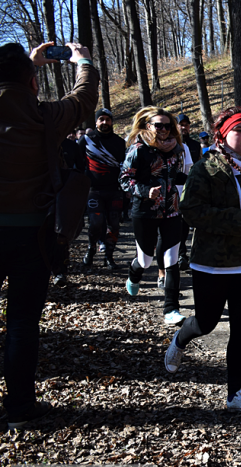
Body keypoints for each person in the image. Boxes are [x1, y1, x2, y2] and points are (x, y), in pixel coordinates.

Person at [0, 41, 98, 429]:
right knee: (22, 321)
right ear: (31, 81)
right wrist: (83, 61)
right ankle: (21, 406)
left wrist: (28, 64)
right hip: (32, 234)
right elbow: (84, 98)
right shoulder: (44, 116)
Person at [164, 106, 241, 414]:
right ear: (222, 134)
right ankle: (180, 338)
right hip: (214, 262)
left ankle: (235, 394)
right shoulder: (207, 167)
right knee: (206, 322)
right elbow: (191, 210)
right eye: (238, 130)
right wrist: (237, 218)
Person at [119, 106, 188, 326]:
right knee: (145, 260)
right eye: (159, 125)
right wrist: (144, 191)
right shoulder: (138, 149)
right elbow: (124, 180)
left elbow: (176, 175)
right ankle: (134, 273)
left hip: (172, 210)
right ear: (148, 126)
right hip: (145, 212)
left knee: (171, 261)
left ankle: (171, 309)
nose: (164, 130)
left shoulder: (178, 149)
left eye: (168, 126)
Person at [80, 108, 127, 270]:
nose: (105, 122)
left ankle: (109, 256)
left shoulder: (119, 142)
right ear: (96, 121)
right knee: (95, 223)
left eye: (107, 119)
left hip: (115, 191)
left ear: (112, 121)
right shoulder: (86, 140)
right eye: (101, 119)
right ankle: (90, 250)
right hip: (93, 190)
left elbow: (125, 167)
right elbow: (78, 164)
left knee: (114, 225)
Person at [51, 137, 87, 286]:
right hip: (38, 195)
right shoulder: (32, 141)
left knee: (61, 235)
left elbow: (81, 169)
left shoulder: (71, 146)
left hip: (64, 195)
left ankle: (60, 272)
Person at [174, 113, 201, 271]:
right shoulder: (169, 143)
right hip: (172, 190)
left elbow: (197, 166)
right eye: (180, 124)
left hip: (190, 189)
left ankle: (184, 254)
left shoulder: (194, 145)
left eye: (186, 124)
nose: (183, 127)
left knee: (186, 224)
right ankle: (179, 253)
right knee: (175, 224)